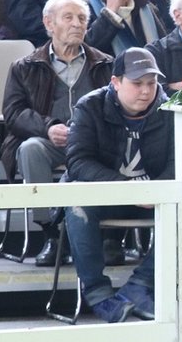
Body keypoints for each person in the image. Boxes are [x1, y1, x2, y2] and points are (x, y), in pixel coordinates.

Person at [63, 46, 174, 323]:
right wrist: (128, 188)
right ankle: (99, 295)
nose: (146, 91)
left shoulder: (170, 108)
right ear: (116, 82)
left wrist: (156, 190)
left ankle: (140, 286)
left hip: (152, 196)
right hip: (107, 195)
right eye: (137, 84)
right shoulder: (90, 105)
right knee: (77, 205)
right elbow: (77, 162)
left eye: (152, 83)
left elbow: (180, 161)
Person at [1, 0, 113, 266]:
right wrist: (48, 128)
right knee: (30, 149)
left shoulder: (106, 64)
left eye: (82, 18)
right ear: (49, 24)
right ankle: (51, 232)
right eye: (69, 18)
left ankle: (108, 236)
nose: (77, 24)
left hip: (93, 144)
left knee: (118, 148)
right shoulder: (25, 66)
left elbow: (117, 109)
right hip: (49, 142)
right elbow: (14, 113)